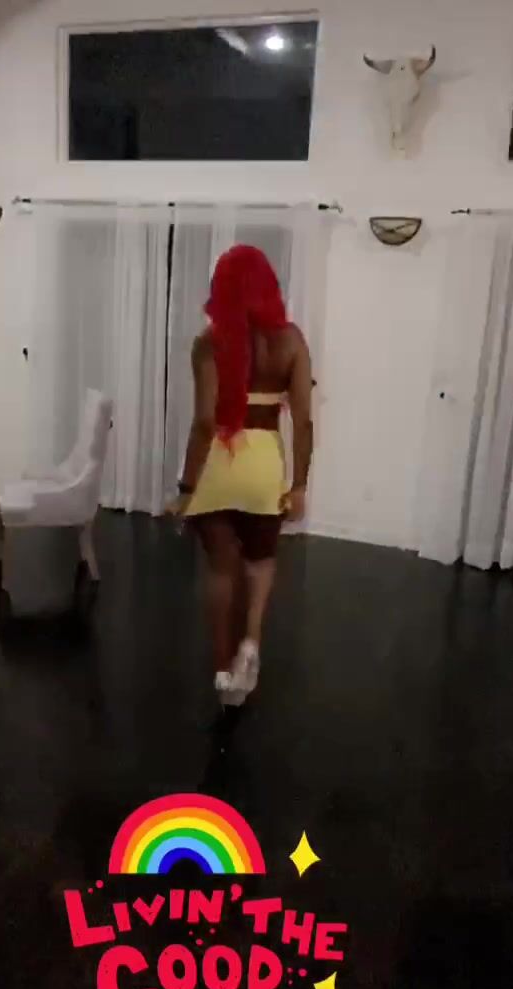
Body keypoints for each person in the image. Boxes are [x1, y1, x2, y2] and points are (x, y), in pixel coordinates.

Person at [168, 244, 314, 707]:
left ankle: (220, 669)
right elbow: (304, 422)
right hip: (264, 464)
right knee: (260, 560)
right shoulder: (291, 341)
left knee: (219, 568)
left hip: (220, 462)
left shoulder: (209, 343)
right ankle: (250, 641)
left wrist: (186, 488)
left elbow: (204, 423)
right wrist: (300, 485)